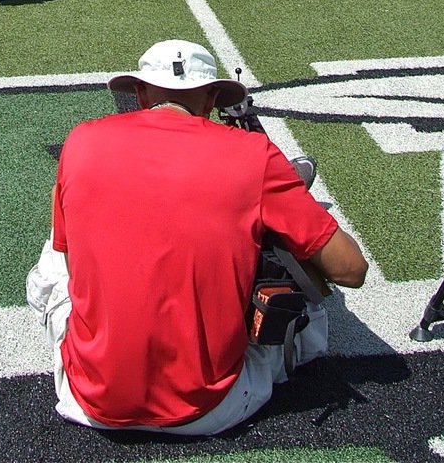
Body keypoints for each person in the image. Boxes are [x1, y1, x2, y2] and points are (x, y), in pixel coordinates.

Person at [27, 39, 367, 433]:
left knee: (62, 231)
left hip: (89, 397)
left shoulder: (82, 139)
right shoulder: (252, 152)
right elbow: (350, 270)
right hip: (212, 407)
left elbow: (74, 263)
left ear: (139, 93)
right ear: (211, 100)